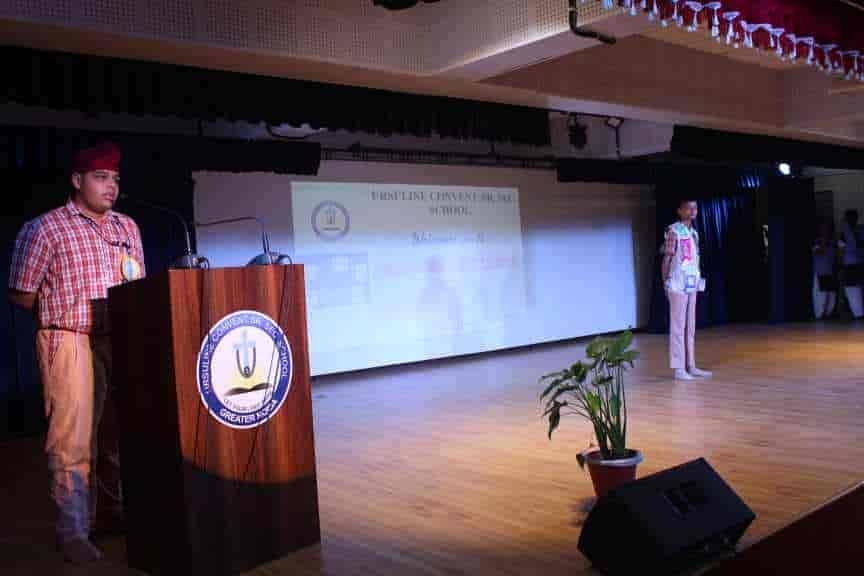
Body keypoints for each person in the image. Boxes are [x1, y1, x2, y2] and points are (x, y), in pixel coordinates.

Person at [8, 142, 145, 564]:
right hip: (70, 338)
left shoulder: (127, 227)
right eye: (101, 178)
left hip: (120, 337)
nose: (111, 186)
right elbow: (21, 294)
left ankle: (112, 513)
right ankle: (73, 532)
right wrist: (65, 310)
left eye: (115, 179)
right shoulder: (45, 228)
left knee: (118, 436)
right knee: (72, 440)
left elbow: (140, 283)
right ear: (77, 180)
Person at [661, 199, 712, 381]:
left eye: (695, 208)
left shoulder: (694, 233)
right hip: (677, 283)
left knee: (690, 326)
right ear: (680, 210)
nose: (692, 211)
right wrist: (666, 281)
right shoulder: (674, 231)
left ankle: (691, 364)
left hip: (691, 283)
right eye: (688, 208)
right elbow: (667, 258)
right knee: (678, 326)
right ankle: (678, 368)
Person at [838, 209, 863, 320]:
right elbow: (841, 250)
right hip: (853, 264)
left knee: (854, 288)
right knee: (854, 288)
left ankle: (858, 313)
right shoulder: (851, 232)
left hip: (853, 264)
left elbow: (841, 250)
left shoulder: (851, 232)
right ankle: (857, 313)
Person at [812, 222, 837, 320]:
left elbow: (835, 256)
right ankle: (820, 316)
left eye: (827, 229)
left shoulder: (832, 243)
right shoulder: (816, 242)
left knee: (831, 296)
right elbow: (819, 252)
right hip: (820, 272)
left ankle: (828, 315)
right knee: (821, 296)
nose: (825, 231)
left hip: (830, 272)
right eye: (823, 229)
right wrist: (823, 241)